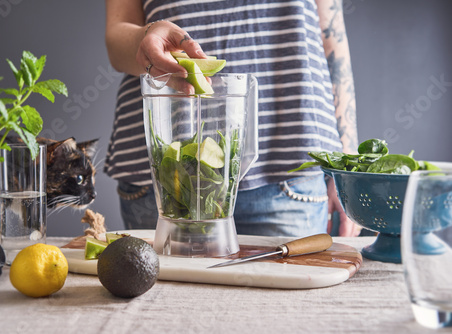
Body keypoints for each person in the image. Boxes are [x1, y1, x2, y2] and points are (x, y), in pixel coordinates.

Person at [104, 0, 361, 237]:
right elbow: (116, 44)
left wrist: (348, 166)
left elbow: (331, 40)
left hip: (288, 166)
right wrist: (145, 37)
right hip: (168, 178)